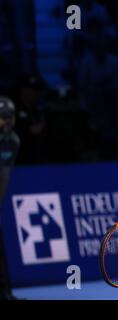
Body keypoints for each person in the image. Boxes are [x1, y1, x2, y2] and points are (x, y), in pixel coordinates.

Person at [0, 96, 20, 300]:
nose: (7, 120)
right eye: (3, 117)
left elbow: (4, 175)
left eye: (10, 116)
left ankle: (5, 293)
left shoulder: (13, 142)